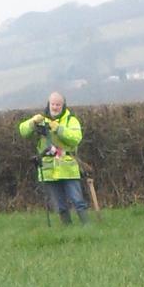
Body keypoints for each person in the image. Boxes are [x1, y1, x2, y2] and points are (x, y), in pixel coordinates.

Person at [18, 92, 88, 223]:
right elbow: (23, 131)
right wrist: (32, 122)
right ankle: (67, 228)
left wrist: (58, 129)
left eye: (58, 104)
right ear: (48, 104)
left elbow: (76, 139)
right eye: (53, 104)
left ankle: (86, 227)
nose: (55, 107)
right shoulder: (41, 119)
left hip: (68, 167)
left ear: (63, 105)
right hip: (48, 168)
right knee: (60, 204)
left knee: (77, 200)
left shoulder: (71, 120)